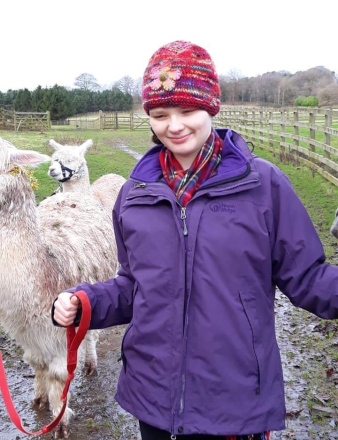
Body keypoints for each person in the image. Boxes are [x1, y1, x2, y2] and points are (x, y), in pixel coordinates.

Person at [52, 41, 338, 440]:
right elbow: (135, 287)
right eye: (160, 113)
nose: (175, 125)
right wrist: (85, 302)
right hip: (152, 401)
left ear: (211, 107)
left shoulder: (263, 185)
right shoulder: (134, 195)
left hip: (233, 405)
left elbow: (307, 278)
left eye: (187, 110)